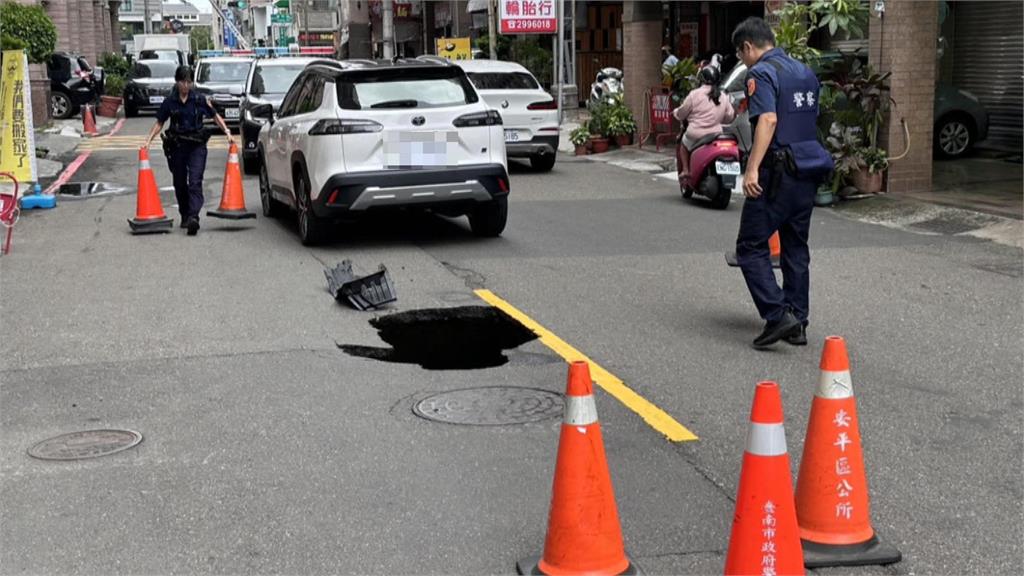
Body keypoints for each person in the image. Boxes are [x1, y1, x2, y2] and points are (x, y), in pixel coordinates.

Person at [731, 17, 834, 349]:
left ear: (748, 46)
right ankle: (798, 322)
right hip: (808, 169)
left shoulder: (761, 73)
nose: (743, 60)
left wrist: (752, 169)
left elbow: (770, 120)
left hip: (777, 171)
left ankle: (777, 316)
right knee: (795, 246)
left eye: (741, 53)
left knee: (749, 247)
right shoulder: (804, 71)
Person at [143, 65, 233, 236]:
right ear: (177, 82)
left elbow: (214, 115)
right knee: (179, 183)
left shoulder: (198, 99)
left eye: (189, 82)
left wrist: (227, 132)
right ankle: (185, 215)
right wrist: (148, 141)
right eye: (183, 82)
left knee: (195, 180)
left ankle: (194, 217)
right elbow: (159, 122)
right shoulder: (170, 102)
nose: (186, 85)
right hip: (177, 146)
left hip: (196, 145)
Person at [672, 63, 736, 181]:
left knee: (683, 145)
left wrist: (676, 112)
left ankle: (686, 170)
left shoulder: (694, 94)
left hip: (696, 135)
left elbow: (682, 113)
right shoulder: (723, 96)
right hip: (716, 135)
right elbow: (729, 117)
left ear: (702, 79)